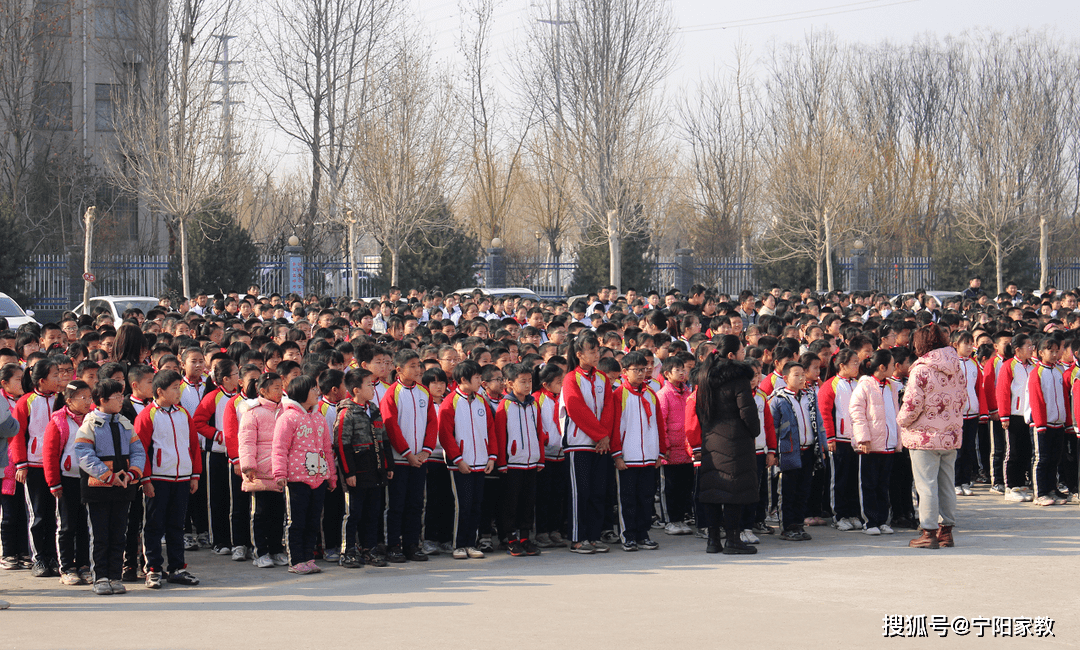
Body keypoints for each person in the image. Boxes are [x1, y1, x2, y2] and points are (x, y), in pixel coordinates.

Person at [73, 379, 146, 595]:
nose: (121, 400)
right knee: (100, 535)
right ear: (102, 400)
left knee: (119, 534)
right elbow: (84, 455)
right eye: (116, 397)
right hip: (97, 489)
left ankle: (115, 575)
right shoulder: (90, 424)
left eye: (121, 396)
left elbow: (138, 451)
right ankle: (100, 577)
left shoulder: (125, 423)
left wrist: (133, 473)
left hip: (123, 487)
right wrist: (108, 476)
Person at [897, 324, 966, 549]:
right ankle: (946, 532)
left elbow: (912, 404)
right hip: (950, 435)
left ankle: (928, 532)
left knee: (926, 486)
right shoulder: (956, 366)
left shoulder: (921, 369)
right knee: (946, 484)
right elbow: (962, 397)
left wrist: (900, 421)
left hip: (924, 436)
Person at [692, 336, 760, 555]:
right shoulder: (738, 378)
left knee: (713, 490)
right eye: (741, 351)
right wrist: (753, 431)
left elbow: (699, 410)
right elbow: (747, 411)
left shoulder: (704, 376)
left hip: (711, 438)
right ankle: (732, 539)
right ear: (731, 355)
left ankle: (713, 540)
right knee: (734, 491)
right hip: (736, 440)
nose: (744, 355)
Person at [135, 370, 202, 589]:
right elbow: (140, 450)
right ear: (160, 391)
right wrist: (145, 479)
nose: (178, 391)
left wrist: (194, 475)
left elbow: (193, 445)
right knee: (154, 525)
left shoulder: (183, 413)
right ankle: (153, 568)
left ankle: (177, 568)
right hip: (158, 478)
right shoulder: (147, 415)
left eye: (179, 387)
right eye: (174, 387)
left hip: (182, 478)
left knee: (177, 525)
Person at [272, 374, 337, 574]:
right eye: (313, 389)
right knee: (296, 521)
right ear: (301, 392)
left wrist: (331, 476)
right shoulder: (287, 418)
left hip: (318, 477)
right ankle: (296, 559)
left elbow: (327, 448)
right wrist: (279, 473)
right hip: (296, 479)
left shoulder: (318, 417)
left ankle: (308, 557)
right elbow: (279, 448)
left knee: (312, 520)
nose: (317, 393)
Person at [380, 349, 437, 563]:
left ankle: (412, 544)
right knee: (396, 504)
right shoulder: (392, 393)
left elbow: (432, 422)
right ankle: (393, 545)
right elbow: (390, 425)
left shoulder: (424, 392)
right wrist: (406, 453)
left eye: (418, 365)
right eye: (412, 366)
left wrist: (426, 450)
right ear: (399, 369)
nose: (417, 369)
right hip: (400, 460)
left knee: (415, 503)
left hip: (420, 460)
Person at [334, 369, 392, 568]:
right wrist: (348, 472)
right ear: (356, 390)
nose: (373, 388)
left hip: (375, 470)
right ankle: (347, 551)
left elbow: (383, 437)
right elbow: (342, 445)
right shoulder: (347, 412)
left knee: (373, 512)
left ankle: (370, 549)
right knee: (353, 513)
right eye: (369, 385)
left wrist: (388, 464)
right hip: (356, 472)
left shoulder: (374, 409)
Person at [439, 360, 496, 559]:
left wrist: (492, 456)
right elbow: (445, 434)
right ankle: (459, 544)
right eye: (477, 377)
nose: (480, 381)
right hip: (460, 464)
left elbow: (491, 430)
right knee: (462, 506)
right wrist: (458, 459)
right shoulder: (450, 401)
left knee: (476, 505)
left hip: (481, 462)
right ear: (463, 379)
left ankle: (472, 543)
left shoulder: (482, 401)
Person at [11, 358, 61, 576]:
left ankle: (55, 556)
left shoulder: (62, 400)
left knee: (57, 514)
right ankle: (39, 558)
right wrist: (21, 464)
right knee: (39, 513)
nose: (60, 379)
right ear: (42, 380)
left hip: (59, 465)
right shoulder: (26, 402)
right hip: (34, 465)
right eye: (55, 375)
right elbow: (17, 435)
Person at [611, 352, 666, 552]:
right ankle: (628, 535)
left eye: (644, 369)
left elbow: (659, 423)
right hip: (628, 457)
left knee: (646, 498)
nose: (642, 373)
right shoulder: (619, 394)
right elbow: (615, 426)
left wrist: (660, 451)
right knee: (627, 499)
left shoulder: (651, 394)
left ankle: (643, 534)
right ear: (624, 372)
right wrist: (617, 454)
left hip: (649, 457)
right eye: (637, 370)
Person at [42, 380, 94, 586]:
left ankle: (83, 565)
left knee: (84, 525)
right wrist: (54, 482)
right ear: (69, 400)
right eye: (84, 398)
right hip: (67, 480)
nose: (88, 401)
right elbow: (50, 454)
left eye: (90, 397)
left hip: (88, 479)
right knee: (66, 525)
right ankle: (67, 567)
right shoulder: (58, 421)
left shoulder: (93, 418)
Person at [238, 372, 289, 569]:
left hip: (279, 471)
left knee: (279, 514)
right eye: (275, 388)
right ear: (262, 391)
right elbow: (247, 441)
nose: (279, 391)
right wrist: (248, 466)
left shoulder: (286, 410)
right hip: (259, 472)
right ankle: (261, 551)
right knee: (259, 514)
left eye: (280, 387)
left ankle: (276, 549)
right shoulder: (253, 412)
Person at [771, 360, 826, 543]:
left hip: (808, 450)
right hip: (789, 452)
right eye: (797, 375)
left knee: (803, 490)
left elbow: (818, 422)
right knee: (788, 491)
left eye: (803, 374)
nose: (801, 378)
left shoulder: (810, 396)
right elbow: (774, 428)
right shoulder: (778, 400)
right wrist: (774, 452)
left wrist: (822, 446)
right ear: (785, 378)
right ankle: (788, 527)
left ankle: (799, 524)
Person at [849, 350, 901, 535]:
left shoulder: (892, 386)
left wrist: (897, 439)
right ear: (882, 367)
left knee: (883, 485)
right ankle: (870, 522)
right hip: (870, 445)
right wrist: (863, 438)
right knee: (868, 484)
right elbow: (856, 413)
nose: (895, 366)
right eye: (892, 363)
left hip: (888, 443)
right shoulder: (864, 386)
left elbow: (895, 412)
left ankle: (882, 520)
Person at [494, 363, 544, 557]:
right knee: (510, 502)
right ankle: (510, 538)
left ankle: (525, 537)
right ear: (510, 383)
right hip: (512, 463)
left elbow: (538, 432)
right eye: (522, 381)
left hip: (531, 461)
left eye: (529, 381)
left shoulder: (533, 404)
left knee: (528, 502)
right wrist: (502, 462)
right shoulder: (505, 405)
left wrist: (540, 459)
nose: (527, 385)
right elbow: (500, 435)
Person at [1027, 338, 1071, 506]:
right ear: (1041, 353)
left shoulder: (1059, 371)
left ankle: (1052, 489)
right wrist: (1040, 423)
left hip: (1058, 423)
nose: (1054, 354)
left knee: (1055, 459)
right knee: (1041, 459)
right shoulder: (1037, 372)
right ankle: (1040, 492)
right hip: (1042, 424)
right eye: (1050, 351)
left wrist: (1066, 420)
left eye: (1055, 351)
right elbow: (1036, 400)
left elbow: (1064, 398)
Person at [657, 356, 694, 536]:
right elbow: (661, 422)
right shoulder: (663, 395)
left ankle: (681, 518)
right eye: (677, 370)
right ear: (667, 374)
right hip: (671, 449)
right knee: (670, 487)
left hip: (686, 449)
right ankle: (670, 520)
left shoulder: (687, 393)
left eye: (683, 370)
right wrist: (665, 446)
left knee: (684, 487)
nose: (682, 373)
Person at [996, 333, 1034, 503]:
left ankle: (1021, 483)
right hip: (1014, 414)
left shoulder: (1033, 365)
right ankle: (1011, 486)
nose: (1032, 349)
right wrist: (1004, 415)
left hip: (1029, 414)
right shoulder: (1009, 366)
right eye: (1029, 346)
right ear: (1017, 349)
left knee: (1027, 450)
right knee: (1014, 451)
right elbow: (1003, 391)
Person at [533, 363, 567, 548]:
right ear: (545, 384)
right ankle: (542, 531)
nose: (562, 384)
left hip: (561, 454)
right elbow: (537, 424)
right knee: (543, 496)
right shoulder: (537, 398)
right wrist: (545, 438)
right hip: (544, 455)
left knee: (558, 494)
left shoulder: (563, 397)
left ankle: (555, 529)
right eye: (558, 382)